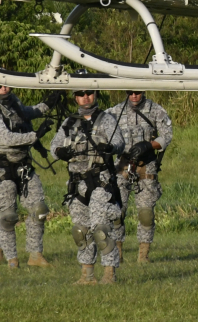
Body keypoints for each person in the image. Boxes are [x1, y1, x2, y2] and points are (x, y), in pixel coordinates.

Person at [0, 83, 61, 268]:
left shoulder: (14, 102)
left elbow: (27, 113)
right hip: (1, 168)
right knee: (7, 216)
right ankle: (12, 259)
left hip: (23, 166)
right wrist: (34, 136)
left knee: (39, 209)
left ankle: (35, 255)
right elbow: (6, 138)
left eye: (7, 84)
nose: (4, 88)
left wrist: (48, 104)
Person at [51, 89, 126, 285]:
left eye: (89, 92)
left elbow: (119, 142)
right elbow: (54, 146)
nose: (85, 97)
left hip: (100, 179)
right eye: (81, 93)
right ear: (75, 97)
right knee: (81, 231)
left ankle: (109, 274)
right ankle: (87, 275)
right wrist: (60, 151)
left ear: (95, 94)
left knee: (101, 229)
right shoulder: (68, 122)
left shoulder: (106, 119)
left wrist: (110, 148)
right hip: (77, 184)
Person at [107, 89, 172, 264]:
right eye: (130, 92)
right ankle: (118, 254)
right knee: (117, 214)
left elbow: (167, 135)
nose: (134, 96)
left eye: (137, 92)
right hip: (122, 164)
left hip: (146, 165)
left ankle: (143, 256)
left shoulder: (155, 109)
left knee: (146, 214)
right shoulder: (114, 112)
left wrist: (149, 145)